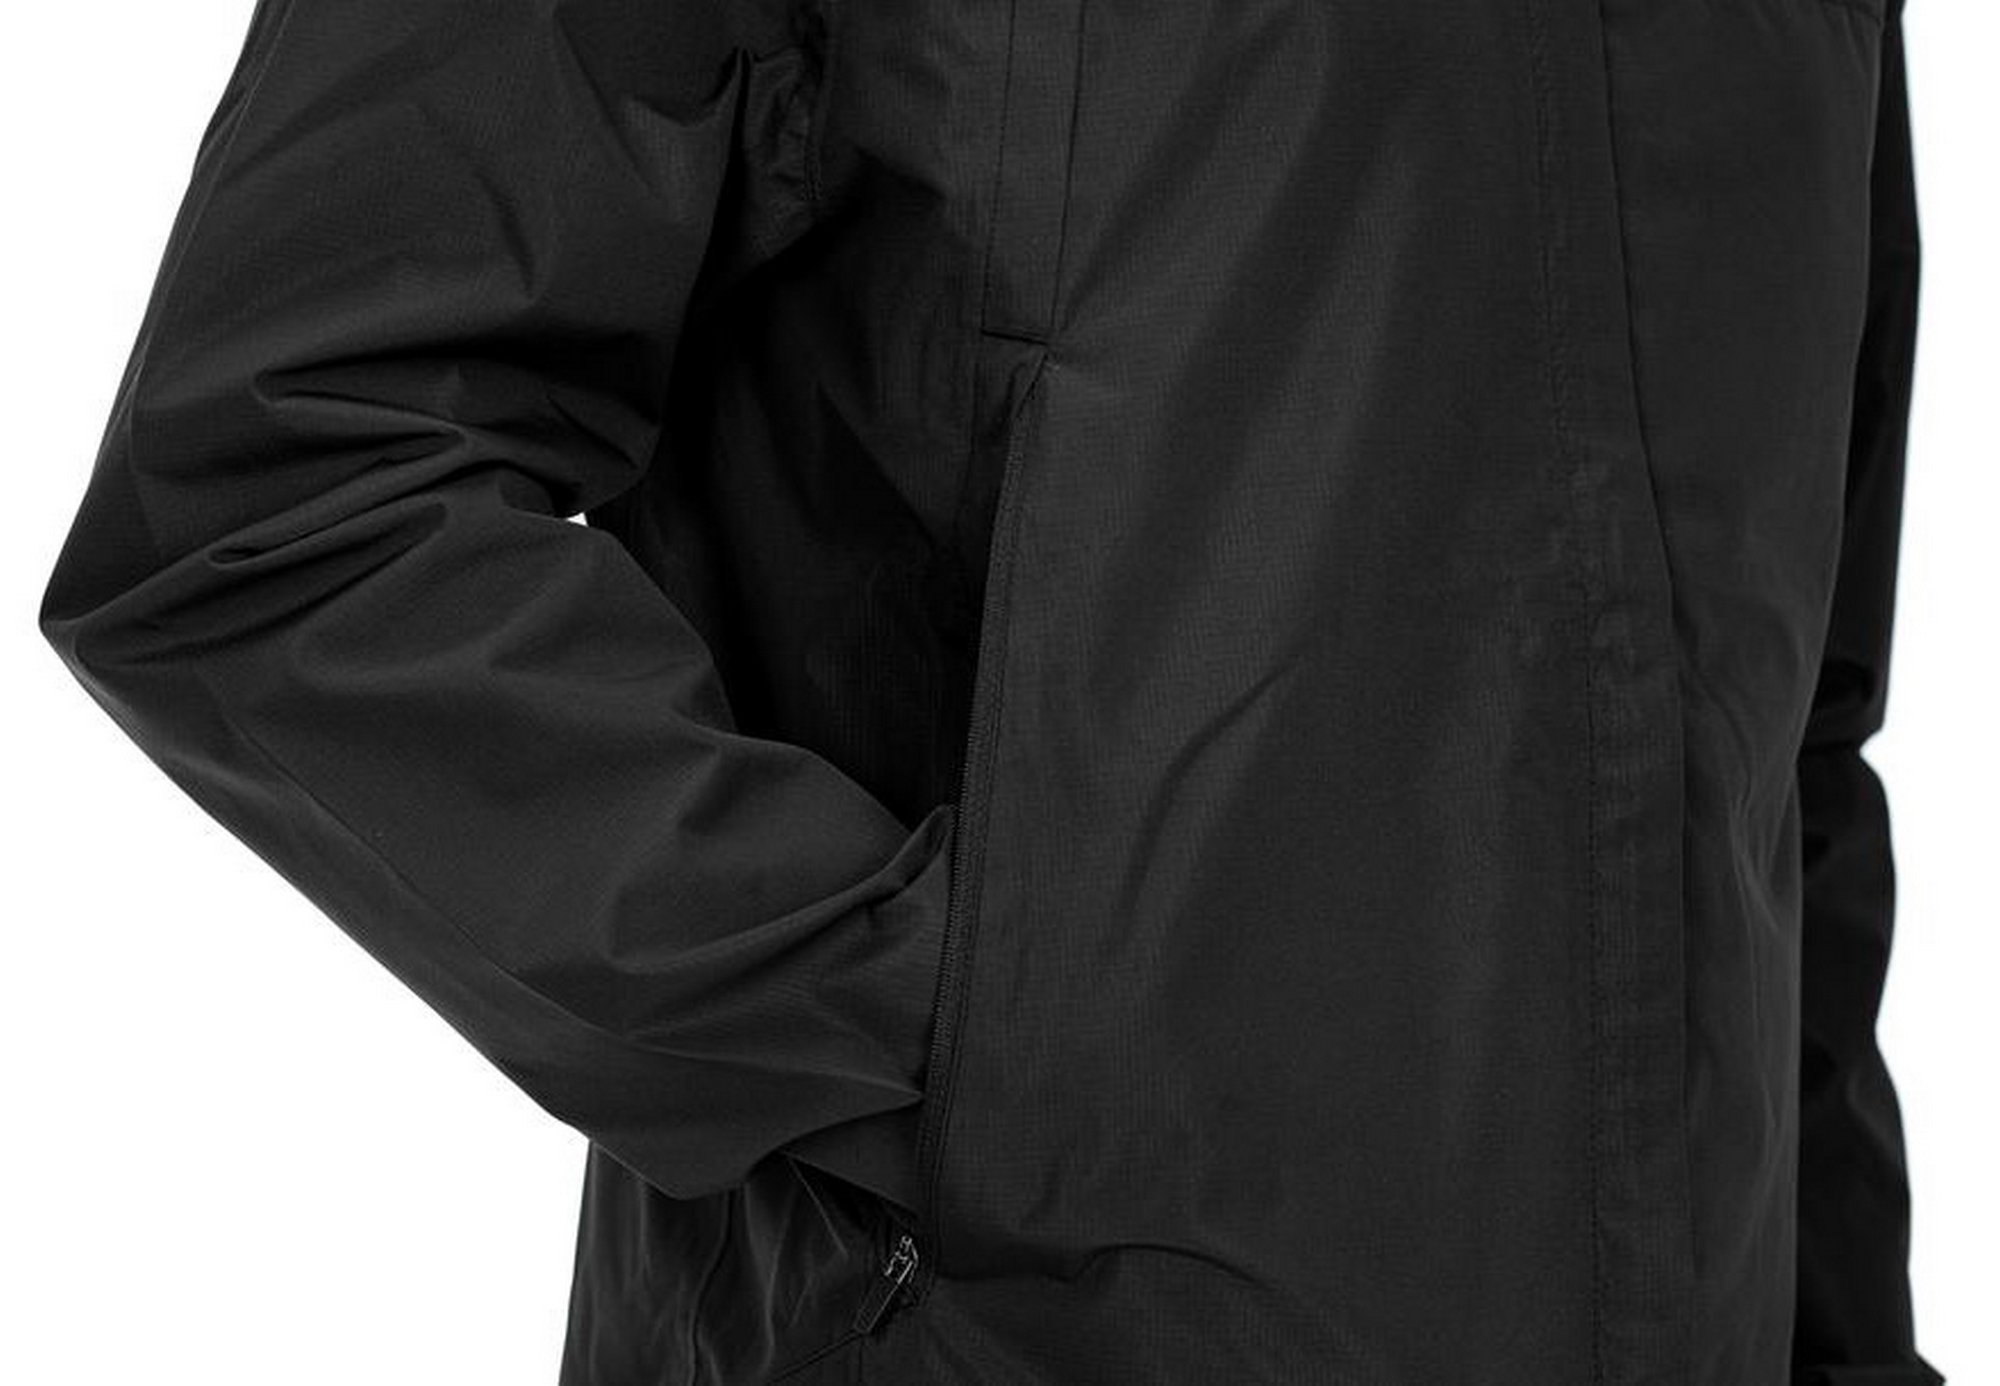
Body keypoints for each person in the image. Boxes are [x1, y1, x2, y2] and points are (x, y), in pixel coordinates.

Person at [39, 0, 1937, 1381]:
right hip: (1010, 1329)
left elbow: (1783, 739)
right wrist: (961, 1033)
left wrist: (1847, 1341)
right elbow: (279, 485)